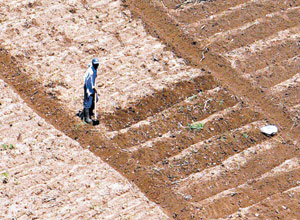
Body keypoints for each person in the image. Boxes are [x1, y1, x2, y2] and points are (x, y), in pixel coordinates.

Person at [82, 58, 99, 123]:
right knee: (88, 101)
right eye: (95, 64)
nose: (96, 66)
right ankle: (86, 117)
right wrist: (94, 89)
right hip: (88, 87)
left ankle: (90, 111)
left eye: (97, 64)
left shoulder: (92, 67)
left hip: (90, 86)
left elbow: (89, 65)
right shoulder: (91, 73)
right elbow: (92, 84)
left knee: (95, 99)